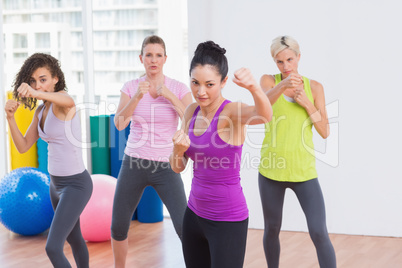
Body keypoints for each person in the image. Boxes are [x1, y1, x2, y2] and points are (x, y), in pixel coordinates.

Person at [169, 40, 273, 268]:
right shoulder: (191, 111)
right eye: (195, 83)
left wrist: (254, 87)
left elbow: (264, 116)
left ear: (224, 82)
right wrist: (177, 150)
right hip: (194, 216)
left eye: (209, 84)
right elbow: (178, 167)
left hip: (227, 220)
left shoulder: (231, 112)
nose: (200, 91)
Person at [111, 35, 193, 267]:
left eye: (158, 55)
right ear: (141, 58)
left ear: (165, 59)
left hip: (167, 164)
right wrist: (137, 96)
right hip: (134, 162)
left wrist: (168, 95)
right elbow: (119, 124)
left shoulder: (177, 87)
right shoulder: (130, 87)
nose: (153, 60)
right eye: (149, 55)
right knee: (118, 225)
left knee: (183, 225)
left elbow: (192, 118)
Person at [4, 53, 93, 267]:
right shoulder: (40, 111)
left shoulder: (63, 103)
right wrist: (10, 118)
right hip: (56, 185)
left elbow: (69, 100)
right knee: (74, 238)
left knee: (52, 247)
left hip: (76, 185)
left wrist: (34, 91)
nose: (38, 85)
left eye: (43, 79)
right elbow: (24, 145)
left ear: (55, 79)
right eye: (33, 81)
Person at [258, 35, 336, 268]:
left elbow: (324, 131)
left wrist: (308, 104)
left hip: (304, 172)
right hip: (271, 171)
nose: (286, 66)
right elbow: (264, 107)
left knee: (319, 232)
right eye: (280, 62)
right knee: (272, 229)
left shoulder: (315, 87)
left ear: (299, 57)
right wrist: (283, 85)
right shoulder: (268, 82)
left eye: (290, 60)